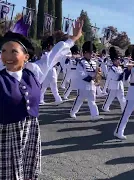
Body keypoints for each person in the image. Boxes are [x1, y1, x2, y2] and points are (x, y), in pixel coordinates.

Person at [0, 18, 82, 180]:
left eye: (13, 52)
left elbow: (54, 54)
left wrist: (72, 39)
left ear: (26, 56)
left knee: (26, 171)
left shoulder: (35, 71)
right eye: (3, 51)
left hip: (30, 130)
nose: (7, 56)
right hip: (4, 133)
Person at [69, 41, 102, 120]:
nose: (91, 54)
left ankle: (95, 115)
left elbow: (96, 74)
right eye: (90, 53)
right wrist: (93, 77)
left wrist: (98, 73)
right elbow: (82, 75)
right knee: (79, 100)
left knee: (92, 100)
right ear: (85, 53)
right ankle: (73, 112)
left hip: (92, 85)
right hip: (83, 85)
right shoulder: (80, 63)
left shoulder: (94, 62)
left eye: (92, 53)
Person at [102, 47, 126, 112]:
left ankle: (124, 109)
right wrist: (104, 89)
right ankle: (105, 107)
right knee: (110, 97)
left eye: (119, 59)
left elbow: (122, 77)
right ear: (114, 61)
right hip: (113, 85)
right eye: (117, 60)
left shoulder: (120, 68)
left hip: (120, 85)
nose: (119, 61)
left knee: (122, 97)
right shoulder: (112, 69)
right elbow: (112, 78)